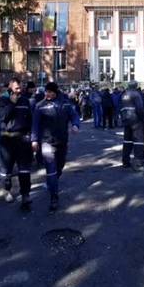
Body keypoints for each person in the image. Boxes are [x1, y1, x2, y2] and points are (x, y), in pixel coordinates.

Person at [31, 82, 80, 212]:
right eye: (46, 92)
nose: (47, 94)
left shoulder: (65, 103)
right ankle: (54, 197)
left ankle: (52, 181)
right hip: (46, 142)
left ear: (56, 92)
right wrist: (34, 140)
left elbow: (74, 115)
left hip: (62, 141)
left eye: (50, 92)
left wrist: (75, 125)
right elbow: (35, 124)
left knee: (60, 166)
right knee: (51, 169)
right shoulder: (40, 106)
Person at [0, 78, 34, 212]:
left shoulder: (25, 100)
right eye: (17, 88)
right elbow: (2, 117)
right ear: (10, 87)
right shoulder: (3, 100)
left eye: (20, 88)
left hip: (22, 138)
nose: (19, 90)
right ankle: (6, 190)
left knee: (24, 169)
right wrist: (12, 104)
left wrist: (31, 137)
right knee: (6, 168)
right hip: (7, 139)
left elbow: (29, 119)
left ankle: (25, 195)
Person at [119, 80, 144, 171]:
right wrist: (143, 118)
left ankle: (125, 161)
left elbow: (120, 107)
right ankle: (138, 162)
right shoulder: (136, 94)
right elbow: (140, 108)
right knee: (138, 141)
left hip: (126, 120)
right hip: (136, 120)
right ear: (136, 86)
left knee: (127, 141)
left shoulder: (124, 94)